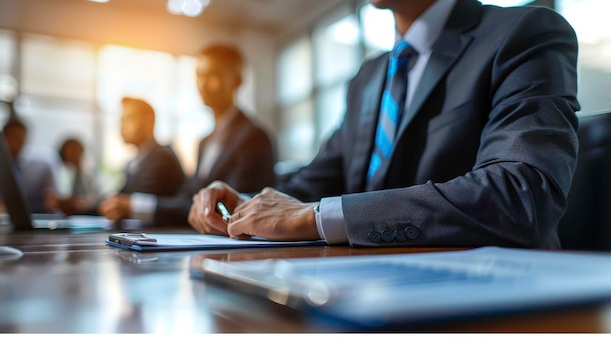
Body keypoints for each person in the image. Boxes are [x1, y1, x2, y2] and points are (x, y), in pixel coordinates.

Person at [187, 0, 579, 249]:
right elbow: (314, 182)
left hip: (498, 299)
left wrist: (316, 217)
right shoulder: (369, 76)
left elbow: (522, 193)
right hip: (368, 284)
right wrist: (244, 203)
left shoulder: (524, 32)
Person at [100, 44, 275, 226]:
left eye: (214, 75)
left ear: (238, 80)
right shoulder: (204, 142)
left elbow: (235, 205)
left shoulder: (254, 138)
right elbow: (190, 200)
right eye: (200, 75)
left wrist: (137, 206)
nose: (204, 84)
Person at [98, 97, 186, 218]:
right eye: (121, 120)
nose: (121, 126)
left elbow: (134, 200)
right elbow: (118, 197)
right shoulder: (135, 161)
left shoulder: (161, 157)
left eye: (128, 119)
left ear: (149, 121)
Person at [0, 117, 57, 213]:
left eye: (21, 137)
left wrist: (51, 201)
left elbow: (53, 197)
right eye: (13, 137)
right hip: (7, 217)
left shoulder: (43, 164)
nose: (18, 142)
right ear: (3, 138)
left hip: (40, 215)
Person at [45, 137, 97, 215]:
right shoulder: (58, 172)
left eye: (77, 151)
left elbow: (92, 200)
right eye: (70, 151)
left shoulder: (90, 175)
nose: (74, 154)